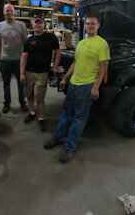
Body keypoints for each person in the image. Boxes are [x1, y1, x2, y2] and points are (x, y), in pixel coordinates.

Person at [43, 15, 110, 163]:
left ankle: (70, 146)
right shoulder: (81, 43)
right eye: (88, 24)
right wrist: (66, 78)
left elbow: (103, 69)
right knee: (66, 113)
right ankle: (58, 137)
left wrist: (95, 88)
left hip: (86, 86)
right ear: (85, 26)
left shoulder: (102, 44)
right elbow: (75, 62)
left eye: (93, 24)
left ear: (98, 26)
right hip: (73, 84)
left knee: (79, 118)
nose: (90, 26)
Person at [20, 17, 61, 132]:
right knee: (29, 95)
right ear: (32, 25)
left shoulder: (51, 37)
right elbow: (24, 57)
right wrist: (22, 73)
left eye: (40, 23)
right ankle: (32, 113)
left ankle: (41, 117)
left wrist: (55, 66)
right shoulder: (28, 40)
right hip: (28, 72)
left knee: (40, 97)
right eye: (36, 23)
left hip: (42, 73)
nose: (38, 25)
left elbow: (57, 53)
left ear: (44, 25)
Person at [0, 4, 29, 113]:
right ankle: (7, 103)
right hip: (5, 59)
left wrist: (27, 58)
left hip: (19, 60)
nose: (9, 12)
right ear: (4, 12)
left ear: (14, 12)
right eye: (7, 10)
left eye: (11, 10)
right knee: (6, 84)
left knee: (21, 83)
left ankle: (22, 102)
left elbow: (26, 42)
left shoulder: (21, 25)